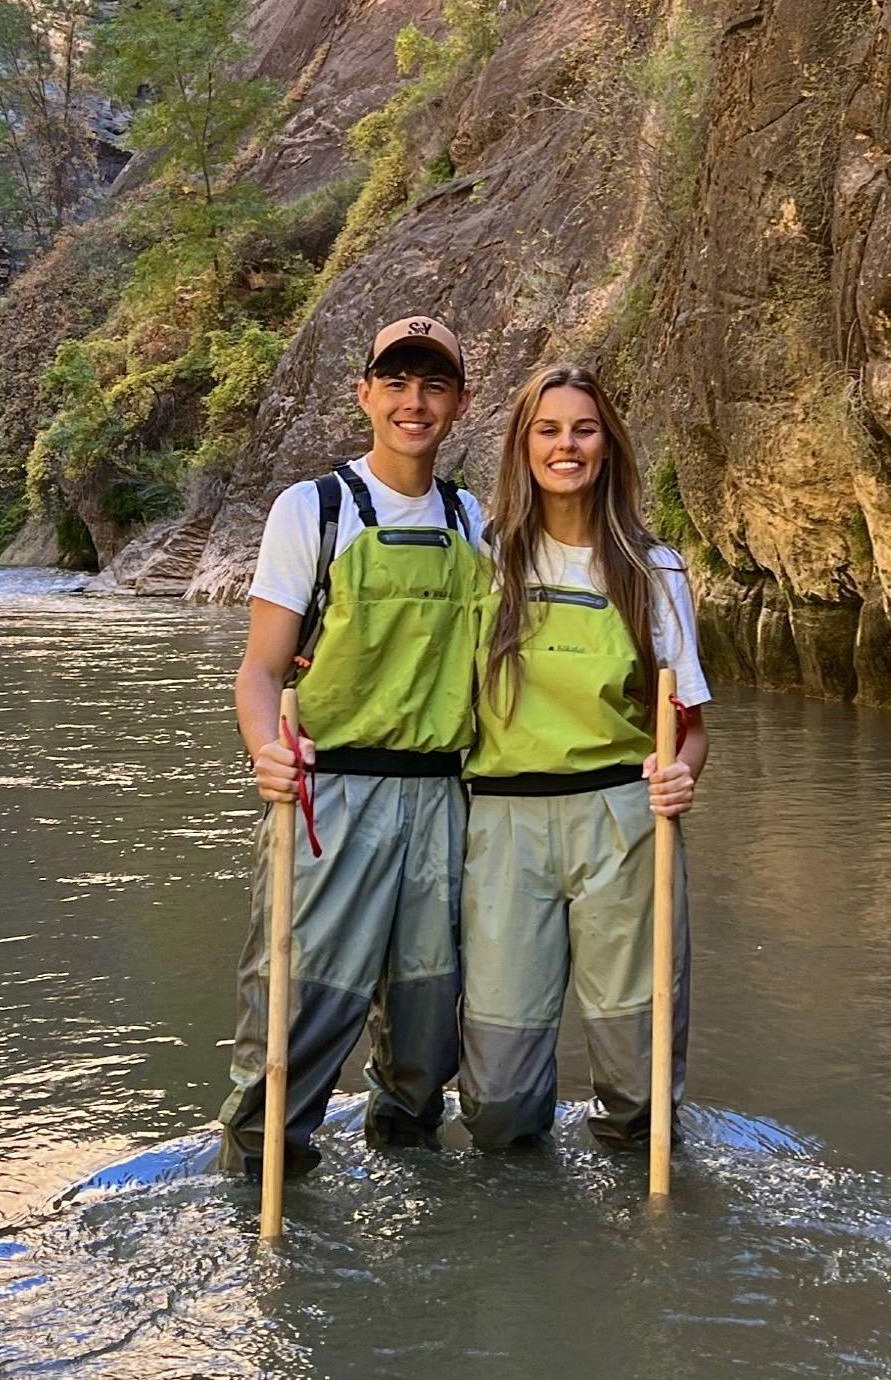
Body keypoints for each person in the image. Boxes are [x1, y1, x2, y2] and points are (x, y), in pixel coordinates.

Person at [218, 313, 490, 1179]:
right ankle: (261, 1192)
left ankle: (410, 1211)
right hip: (327, 798)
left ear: (459, 403)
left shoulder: (471, 516)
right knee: (295, 1025)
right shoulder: (314, 509)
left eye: (434, 384)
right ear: (365, 394)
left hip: (446, 798)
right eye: (397, 382)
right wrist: (267, 750)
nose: (415, 402)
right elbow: (260, 673)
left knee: (426, 1038)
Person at [458, 361, 711, 1152]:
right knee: (497, 1103)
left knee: (640, 1093)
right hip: (502, 826)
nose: (566, 445)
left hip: (623, 824)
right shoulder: (483, 560)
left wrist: (681, 775)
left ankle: (633, 1252)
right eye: (549, 430)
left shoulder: (653, 569)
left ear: (608, 446)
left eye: (584, 429)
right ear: (522, 446)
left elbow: (690, 724)